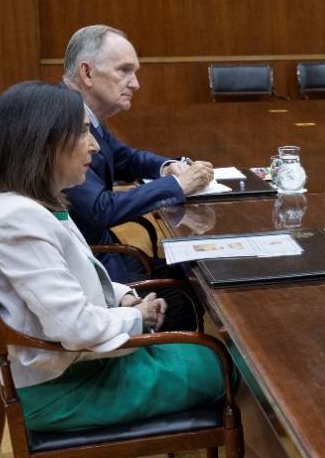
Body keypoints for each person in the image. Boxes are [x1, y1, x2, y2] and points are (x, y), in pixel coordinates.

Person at [0, 81, 325, 458]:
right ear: (43, 144)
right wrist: (135, 318)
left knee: (233, 362)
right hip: (67, 388)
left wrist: (125, 298)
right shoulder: (19, 220)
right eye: (81, 133)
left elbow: (80, 279)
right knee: (242, 367)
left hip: (77, 367)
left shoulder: (21, 202)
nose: (94, 145)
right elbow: (73, 328)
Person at [60, 24, 213, 282]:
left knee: (195, 269)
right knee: (198, 280)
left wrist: (166, 167)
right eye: (124, 70)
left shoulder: (83, 114)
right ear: (87, 73)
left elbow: (125, 158)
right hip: (94, 271)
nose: (136, 84)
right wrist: (177, 185)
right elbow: (100, 209)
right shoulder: (62, 121)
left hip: (106, 253)